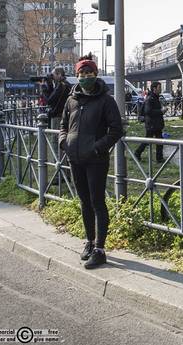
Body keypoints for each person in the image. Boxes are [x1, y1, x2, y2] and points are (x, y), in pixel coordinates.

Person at [58, 53, 123, 269]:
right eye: (81, 73)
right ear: (77, 75)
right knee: (84, 202)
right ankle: (89, 242)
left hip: (95, 160)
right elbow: (63, 126)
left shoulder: (106, 100)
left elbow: (116, 130)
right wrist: (63, 142)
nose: (85, 76)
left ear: (96, 74)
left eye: (89, 73)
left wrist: (97, 148)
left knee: (97, 202)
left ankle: (100, 249)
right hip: (75, 159)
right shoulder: (71, 100)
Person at [133, 81, 167, 162]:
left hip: (156, 123)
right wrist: (161, 111)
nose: (160, 89)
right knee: (147, 140)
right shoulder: (150, 98)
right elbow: (148, 111)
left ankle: (159, 158)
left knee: (159, 141)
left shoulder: (155, 97)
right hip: (151, 124)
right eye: (159, 88)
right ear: (154, 88)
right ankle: (137, 153)